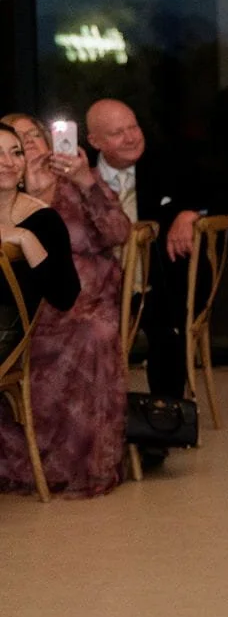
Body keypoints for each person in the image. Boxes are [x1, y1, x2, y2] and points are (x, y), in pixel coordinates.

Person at [0, 115, 130, 497]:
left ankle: (78, 465)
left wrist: (85, 180)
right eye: (9, 147)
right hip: (26, 308)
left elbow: (118, 232)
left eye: (25, 142)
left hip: (80, 304)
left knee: (94, 332)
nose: (16, 155)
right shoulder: (13, 198)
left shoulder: (72, 188)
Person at [85, 99, 211, 401]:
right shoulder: (81, 174)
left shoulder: (165, 162)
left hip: (157, 282)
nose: (131, 138)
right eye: (118, 133)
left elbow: (216, 189)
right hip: (94, 286)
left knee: (166, 326)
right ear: (95, 141)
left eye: (133, 127)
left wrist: (191, 212)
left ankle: (164, 417)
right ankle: (90, 417)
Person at [0, 124, 84, 496]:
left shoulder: (43, 220)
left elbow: (66, 295)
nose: (7, 163)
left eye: (15, 152)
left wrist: (27, 240)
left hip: (7, 333)